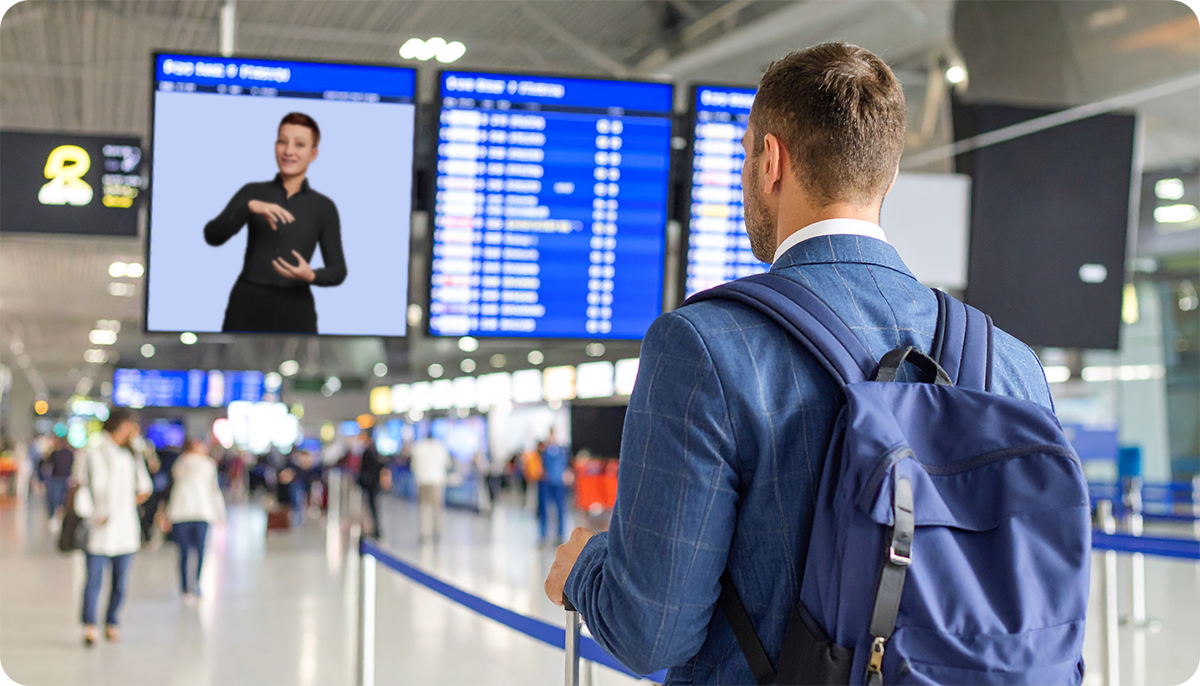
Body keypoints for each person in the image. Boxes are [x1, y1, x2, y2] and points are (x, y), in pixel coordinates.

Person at [543, 43, 1054, 683]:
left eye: (744, 160)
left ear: (771, 161)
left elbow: (655, 634)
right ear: (887, 176)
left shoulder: (702, 345)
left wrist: (586, 568)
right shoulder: (1011, 363)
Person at [204, 112, 347, 334]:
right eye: (283, 141)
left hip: (297, 305)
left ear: (313, 153)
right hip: (247, 301)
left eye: (299, 144)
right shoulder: (252, 192)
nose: (288, 151)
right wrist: (249, 207)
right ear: (275, 146)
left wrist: (311, 276)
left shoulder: (324, 207)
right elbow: (212, 236)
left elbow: (338, 270)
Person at [73, 408, 153, 646]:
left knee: (120, 581)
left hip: (125, 526)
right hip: (99, 524)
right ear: (121, 425)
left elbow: (145, 487)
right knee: (94, 580)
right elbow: (81, 484)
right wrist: (92, 513)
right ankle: (89, 624)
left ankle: (112, 622)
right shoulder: (93, 451)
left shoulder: (132, 454)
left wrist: (125, 502)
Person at [164, 438, 226, 603]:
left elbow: (213, 490)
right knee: (193, 551)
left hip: (192, 513)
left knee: (191, 552)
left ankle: (190, 585)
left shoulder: (198, 464)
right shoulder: (184, 464)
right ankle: (191, 585)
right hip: (190, 512)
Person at [409, 434, 450, 543]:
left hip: (422, 480)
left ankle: (425, 533)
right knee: (437, 508)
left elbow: (414, 465)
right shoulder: (440, 447)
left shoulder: (418, 446)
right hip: (437, 480)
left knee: (424, 508)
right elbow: (446, 463)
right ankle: (437, 531)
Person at [536, 430, 569, 547]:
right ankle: (543, 536)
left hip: (558, 483)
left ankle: (560, 534)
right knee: (544, 510)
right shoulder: (543, 452)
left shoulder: (562, 452)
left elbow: (566, 465)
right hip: (546, 483)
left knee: (561, 509)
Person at [357, 434, 391, 539]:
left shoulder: (369, 454)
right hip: (371, 485)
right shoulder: (373, 453)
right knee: (372, 508)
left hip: (370, 485)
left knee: (372, 508)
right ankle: (373, 529)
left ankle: (374, 529)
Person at [44, 437, 75, 523]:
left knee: (60, 498)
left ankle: (58, 516)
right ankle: (54, 516)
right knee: (56, 498)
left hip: (63, 478)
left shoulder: (68, 453)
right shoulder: (58, 453)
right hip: (58, 478)